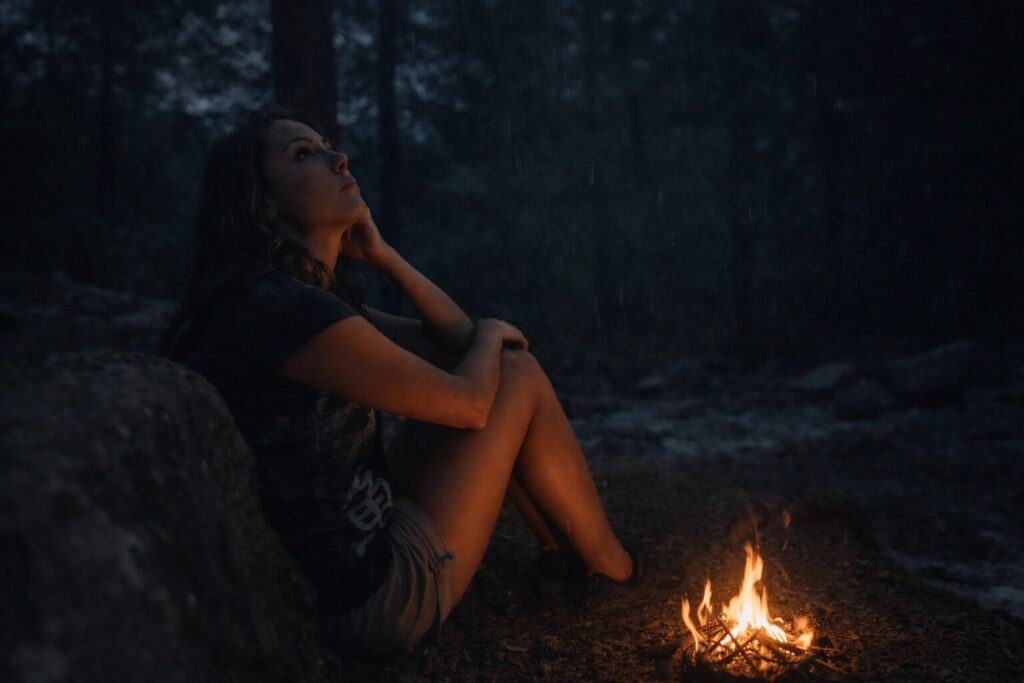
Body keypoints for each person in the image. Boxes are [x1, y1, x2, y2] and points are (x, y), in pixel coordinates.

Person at [161, 109, 641, 655]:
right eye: (303, 154)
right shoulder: (287, 311)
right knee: (517, 375)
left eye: (326, 146)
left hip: (351, 547)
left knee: (502, 367)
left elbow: (455, 343)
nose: (337, 158)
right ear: (263, 205)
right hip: (370, 597)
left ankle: (567, 558)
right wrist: (490, 334)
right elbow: (469, 402)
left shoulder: (294, 300)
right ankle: (611, 569)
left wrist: (386, 258)